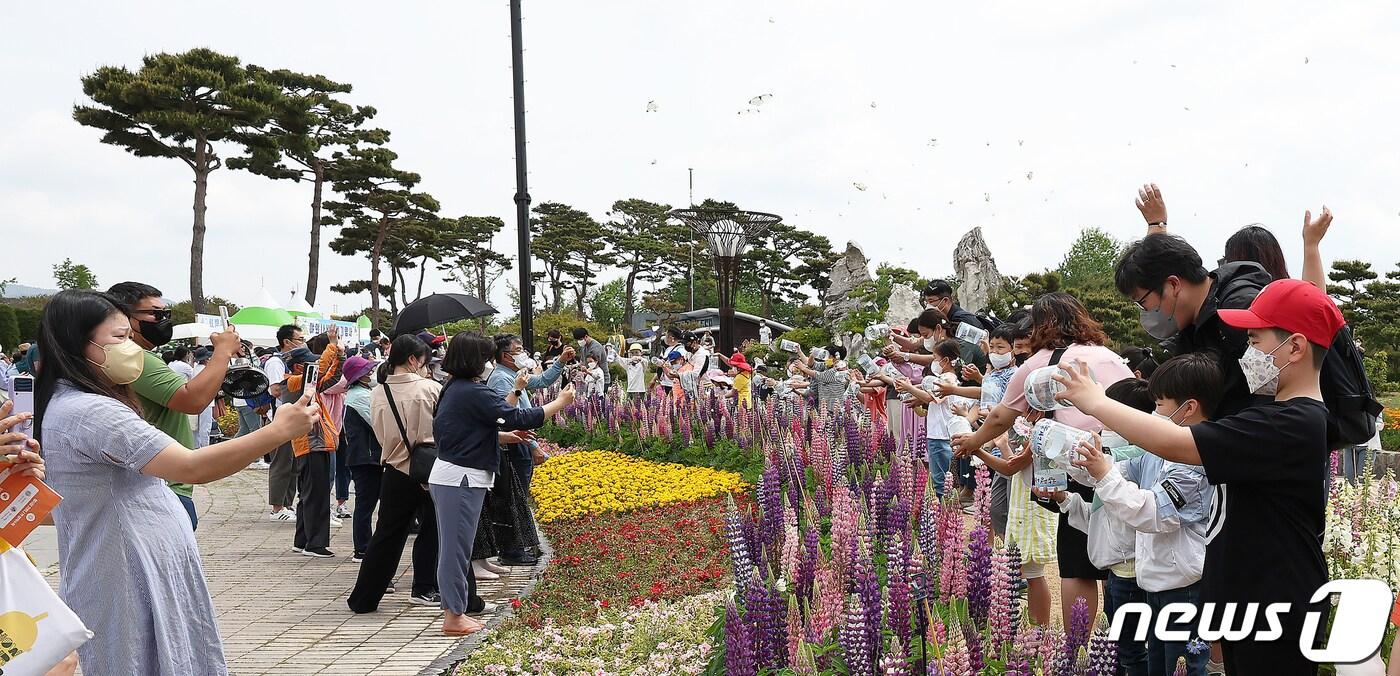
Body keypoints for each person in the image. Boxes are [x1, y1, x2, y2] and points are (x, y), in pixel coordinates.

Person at [1051, 278, 1343, 675]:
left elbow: (1177, 442)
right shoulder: (1280, 416)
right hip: (1257, 597)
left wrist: (1097, 402)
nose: (1248, 352)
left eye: (1255, 340)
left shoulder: (1292, 423)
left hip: (1275, 600)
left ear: (1294, 346)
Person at [35, 290, 318, 676]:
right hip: (129, 572)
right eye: (118, 339)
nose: (131, 349)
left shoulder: (77, 402)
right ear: (77, 343)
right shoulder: (91, 411)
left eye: (128, 337)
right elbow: (191, 466)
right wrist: (277, 432)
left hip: (134, 564)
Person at [952, 291, 1135, 628]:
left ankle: (1076, 643)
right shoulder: (1110, 357)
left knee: (1077, 564)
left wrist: (972, 442)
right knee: (1121, 557)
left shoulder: (1039, 363)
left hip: (1070, 467)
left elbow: (1000, 418)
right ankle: (1119, 644)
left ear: (1042, 326)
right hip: (1117, 463)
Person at [431, 332, 575, 635]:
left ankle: (455, 612)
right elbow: (517, 415)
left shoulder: (456, 388)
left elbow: (470, 429)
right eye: (484, 357)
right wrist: (560, 402)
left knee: (455, 549)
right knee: (456, 551)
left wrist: (502, 437)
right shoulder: (470, 391)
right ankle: (453, 616)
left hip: (455, 476)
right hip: (461, 479)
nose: (487, 363)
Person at [107, 281, 240, 532]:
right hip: (162, 488)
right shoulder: (133, 358)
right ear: (123, 317)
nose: (162, 319)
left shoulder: (136, 356)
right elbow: (192, 400)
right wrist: (222, 352)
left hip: (163, 485)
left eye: (165, 313)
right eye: (154, 313)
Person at [1113, 234, 1272, 418]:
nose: (1145, 312)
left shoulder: (1241, 309)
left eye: (1143, 302)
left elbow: (1274, 390)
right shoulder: (1190, 327)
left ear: (1173, 284)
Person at [348, 334, 442, 612]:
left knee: (386, 534)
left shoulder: (377, 392)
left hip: (393, 467)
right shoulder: (431, 388)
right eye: (424, 360)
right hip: (428, 467)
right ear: (413, 359)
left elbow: (378, 433)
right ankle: (424, 587)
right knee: (433, 528)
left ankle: (364, 597)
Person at [486, 333, 571, 567]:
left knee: (519, 497)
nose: (523, 353)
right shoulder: (502, 380)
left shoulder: (515, 375)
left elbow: (542, 381)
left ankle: (519, 545)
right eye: (518, 349)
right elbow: (511, 418)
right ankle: (511, 550)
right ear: (505, 355)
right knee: (513, 498)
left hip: (521, 442)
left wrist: (561, 360)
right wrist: (534, 446)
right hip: (514, 444)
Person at [282, 339, 342, 558]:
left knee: (308, 495)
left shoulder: (305, 385)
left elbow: (331, 378)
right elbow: (322, 369)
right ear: (299, 367)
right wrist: (332, 346)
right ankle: (315, 544)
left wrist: (340, 356)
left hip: (314, 444)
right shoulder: (293, 383)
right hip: (311, 444)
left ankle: (302, 540)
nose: (315, 367)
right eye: (310, 364)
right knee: (316, 495)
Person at [339, 355, 380, 561]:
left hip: (364, 456)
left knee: (366, 504)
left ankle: (365, 547)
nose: (370, 372)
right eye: (366, 371)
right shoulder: (360, 397)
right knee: (365, 505)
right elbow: (377, 423)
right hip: (366, 458)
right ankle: (362, 548)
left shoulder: (360, 393)